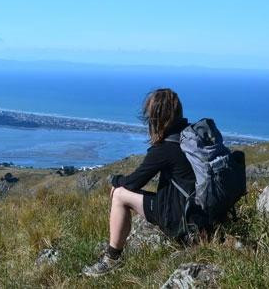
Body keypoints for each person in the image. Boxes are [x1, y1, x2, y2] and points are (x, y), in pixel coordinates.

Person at [81, 88, 200, 277]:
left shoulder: (165, 148)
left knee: (120, 195)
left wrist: (116, 181)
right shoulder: (191, 137)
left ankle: (111, 259)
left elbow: (133, 183)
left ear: (156, 117)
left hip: (181, 220)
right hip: (202, 214)